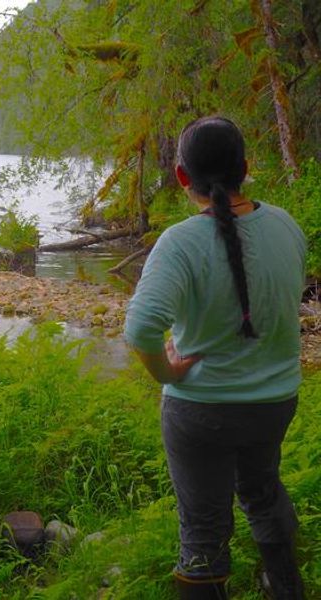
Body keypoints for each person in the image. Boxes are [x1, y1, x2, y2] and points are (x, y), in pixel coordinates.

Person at [124, 117, 305, 599]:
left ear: (183, 177)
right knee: (263, 492)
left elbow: (140, 328)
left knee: (203, 530)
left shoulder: (180, 243)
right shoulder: (287, 226)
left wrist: (166, 370)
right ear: (245, 169)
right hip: (274, 403)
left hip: (201, 410)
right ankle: (287, 589)